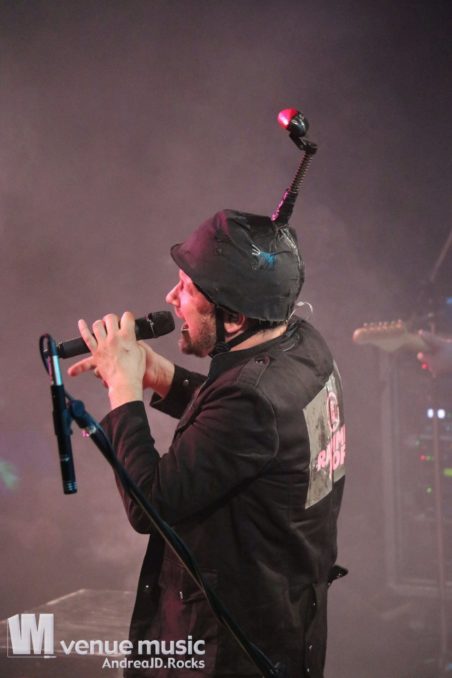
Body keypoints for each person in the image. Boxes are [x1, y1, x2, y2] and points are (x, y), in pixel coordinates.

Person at [68, 209, 346, 678]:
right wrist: (161, 376)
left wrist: (123, 389)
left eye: (188, 289)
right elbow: (243, 435)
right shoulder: (302, 346)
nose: (171, 298)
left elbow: (150, 503)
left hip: (230, 654)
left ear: (233, 317)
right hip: (281, 630)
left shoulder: (251, 401)